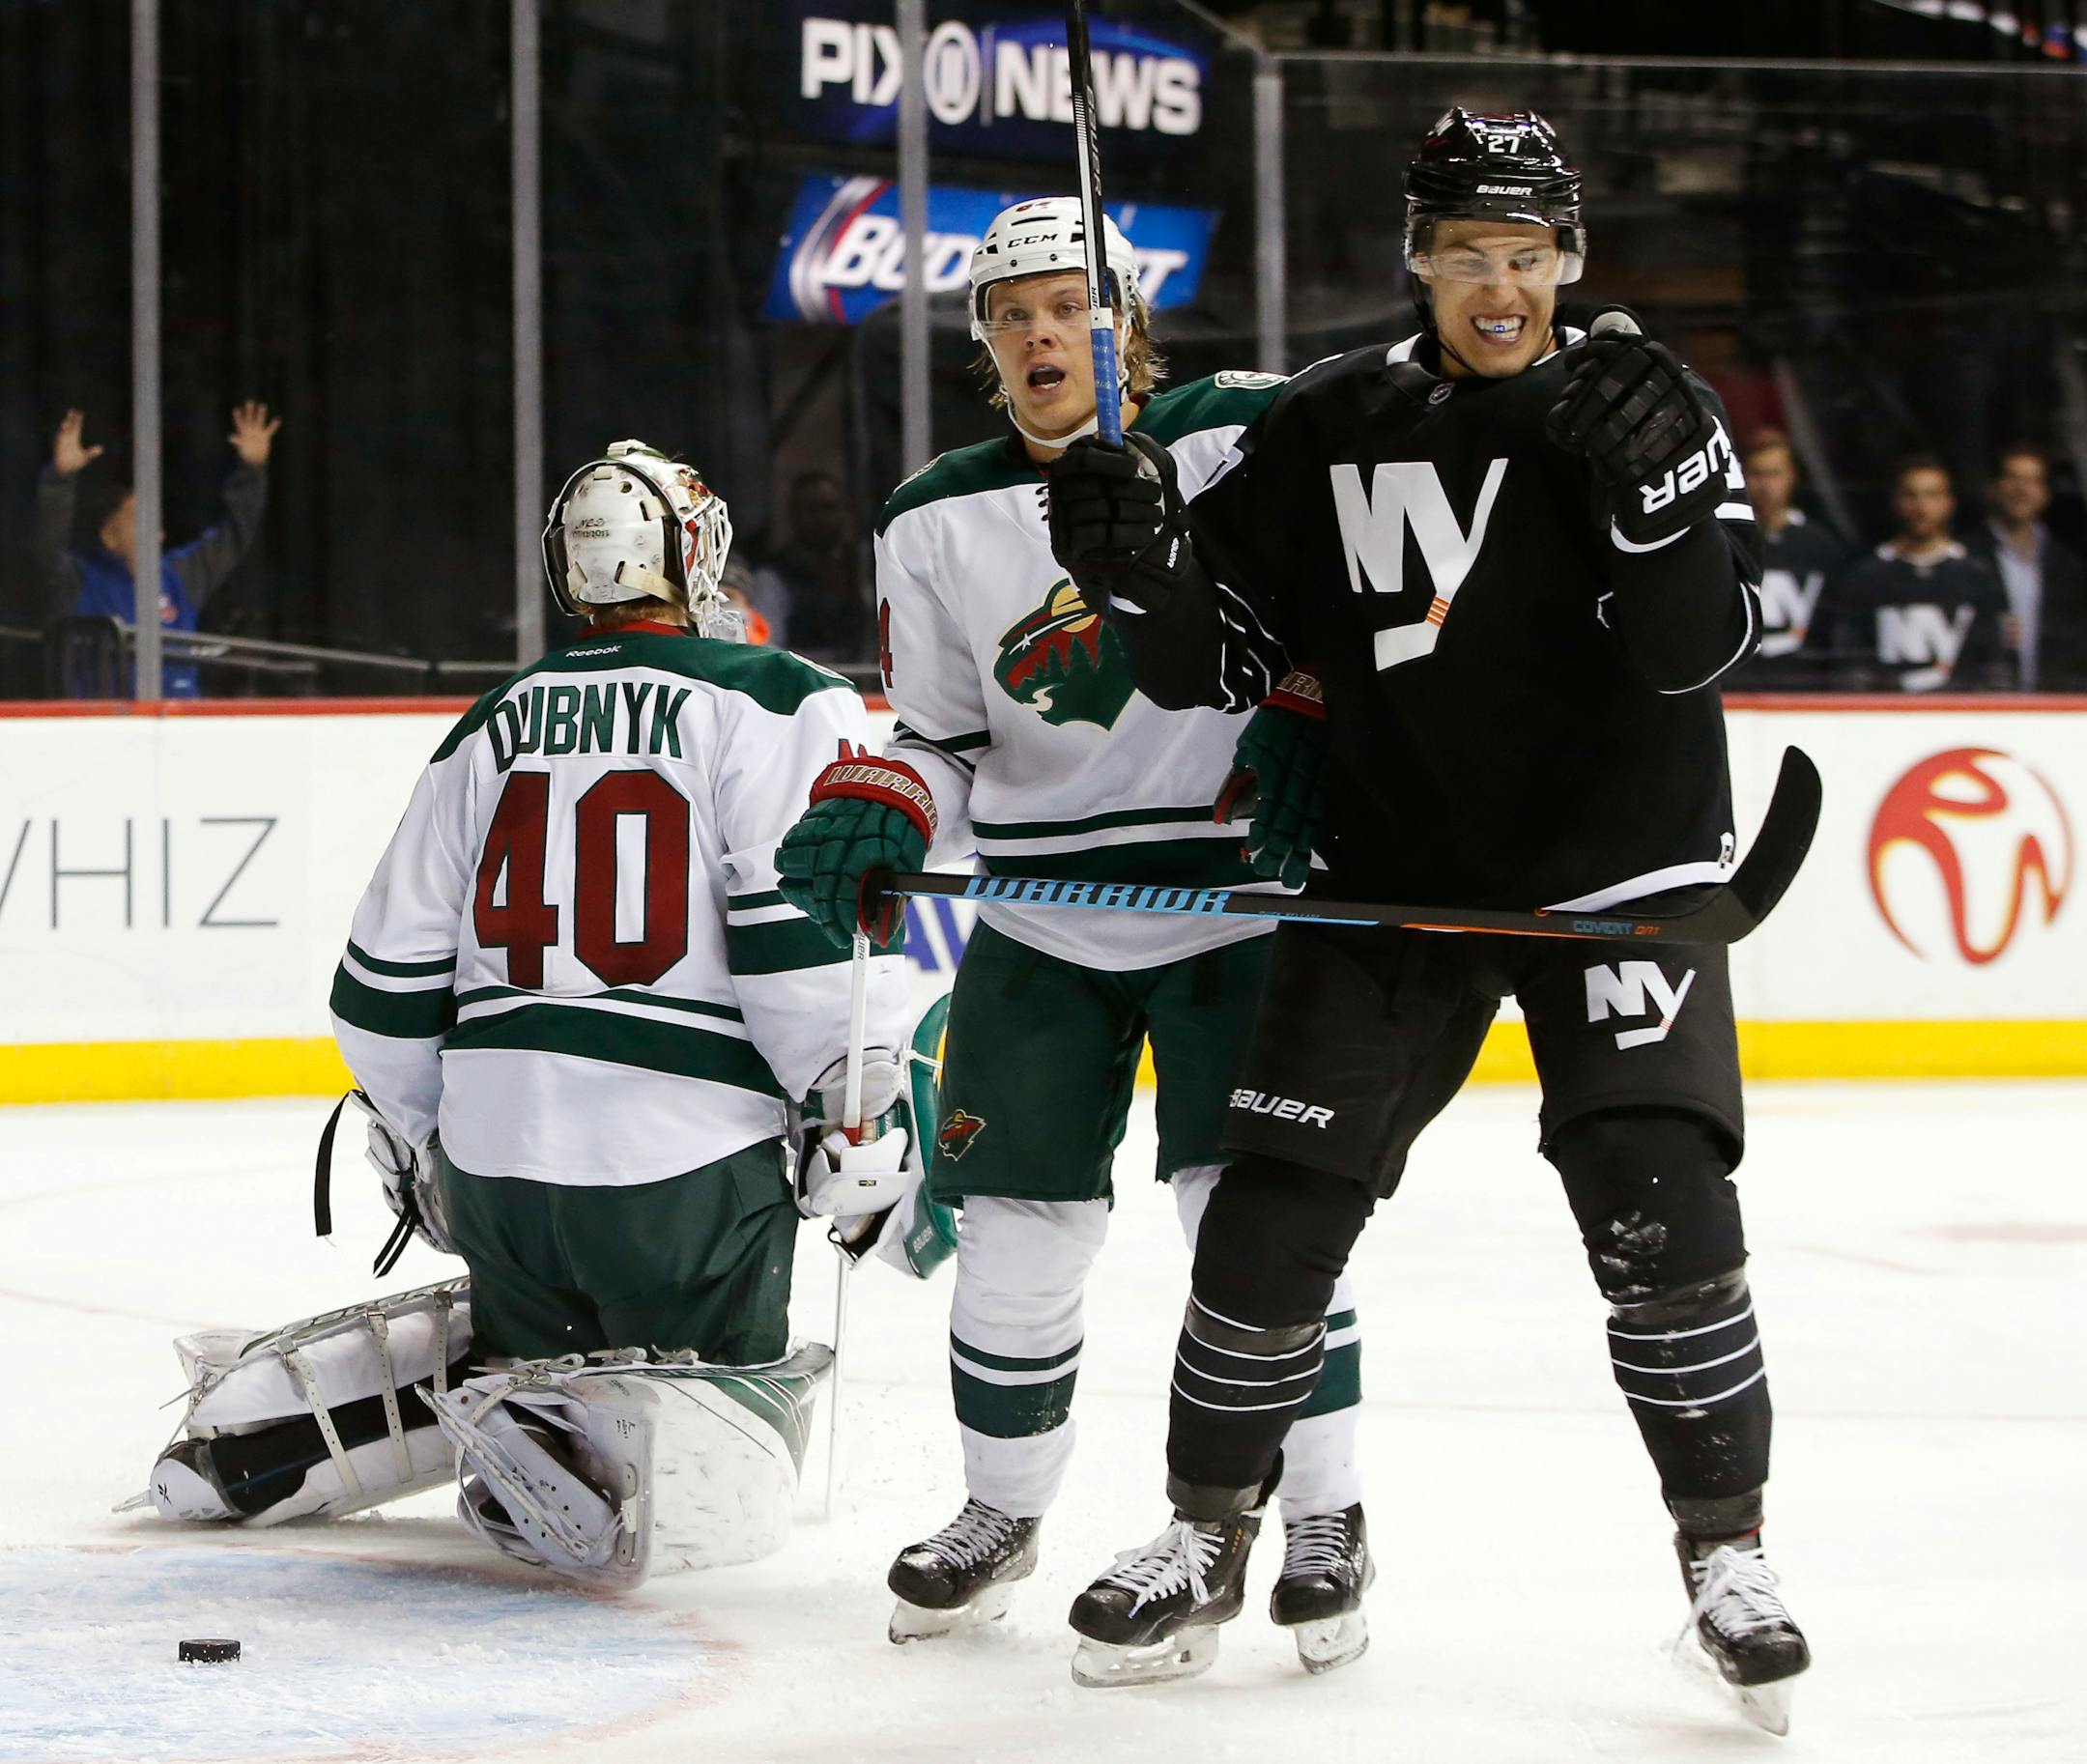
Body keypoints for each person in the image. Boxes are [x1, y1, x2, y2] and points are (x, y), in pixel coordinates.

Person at [1044, 109, 1810, 1732]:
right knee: (1270, 1211)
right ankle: (1202, 1533)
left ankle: (1727, 1555)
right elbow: (1212, 662)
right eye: (1471, 256)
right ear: (1419, 261)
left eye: (1529, 256)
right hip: (1395, 876)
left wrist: (1667, 500)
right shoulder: (1325, 427)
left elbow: (1695, 650)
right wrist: (1136, 576)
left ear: (1571, 259)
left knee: (1654, 1192)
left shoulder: (1651, 403)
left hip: (1619, 877)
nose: (1502, 288)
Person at [772, 197, 1373, 1670]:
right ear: (984, 344)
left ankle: (1326, 1513)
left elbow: (1352, 595)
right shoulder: (930, 514)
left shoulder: (1244, 435)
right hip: (1046, 915)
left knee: (1252, 1222)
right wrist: (888, 795)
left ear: (1128, 322)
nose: (1042, 335)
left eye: (1070, 308)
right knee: (1022, 1229)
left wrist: (1313, 707)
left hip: (1237, 898)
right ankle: (1002, 1508)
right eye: (1011, 315)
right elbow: (943, 737)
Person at [313, 440, 915, 1585]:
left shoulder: (492, 719)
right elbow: (804, 946)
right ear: (695, 554)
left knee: (543, 1520)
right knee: (697, 1501)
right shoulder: (778, 696)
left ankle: (522, 1439)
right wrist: (858, 1107)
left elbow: (383, 975)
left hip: (500, 1174)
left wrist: (415, 1127)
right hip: (680, 1174)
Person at [30, 403, 278, 697]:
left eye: (155, 522)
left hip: (181, 725)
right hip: (107, 730)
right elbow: (47, 544)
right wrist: (60, 478)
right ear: (110, 537)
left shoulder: (180, 575)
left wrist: (252, 469)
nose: (155, 531)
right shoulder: (78, 581)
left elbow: (233, 535)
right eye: (139, 520)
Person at [1811, 456, 2010, 693]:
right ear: (1896, 501)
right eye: (1911, 495)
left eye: (1932, 495)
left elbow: (1995, 664)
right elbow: (1849, 661)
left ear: (1949, 502)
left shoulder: (1977, 576)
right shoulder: (1866, 577)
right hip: (1884, 717)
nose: (1921, 507)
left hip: (1959, 719)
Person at [1726, 428, 1845, 689]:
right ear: (1741, 476)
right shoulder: (1725, 540)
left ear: (1792, 476)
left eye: (1775, 474)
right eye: (1757, 473)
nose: (1766, 485)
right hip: (1735, 685)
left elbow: (1835, 626)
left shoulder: (1821, 547)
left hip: (1806, 687)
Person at [1963, 443, 2087, 691]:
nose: (2022, 489)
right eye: (2013, 478)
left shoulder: (2067, 564)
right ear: (1993, 488)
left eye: (2032, 481)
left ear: (2045, 493)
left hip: (2052, 699)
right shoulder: (1965, 555)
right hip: (1983, 698)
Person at [754, 469, 869, 660]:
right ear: (793, 514)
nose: (821, 518)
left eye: (829, 508)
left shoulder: (862, 568)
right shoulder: (773, 576)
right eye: (812, 509)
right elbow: (768, 649)